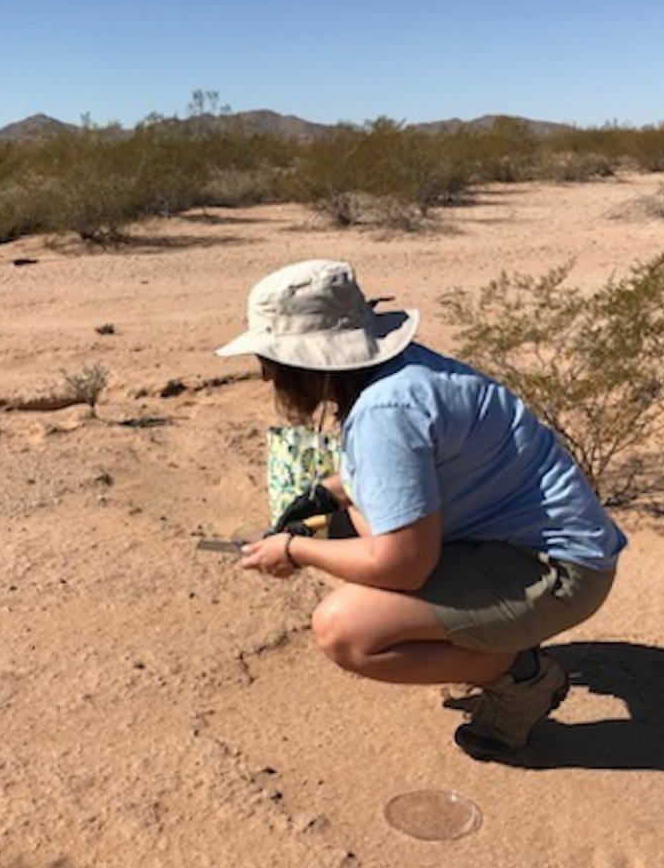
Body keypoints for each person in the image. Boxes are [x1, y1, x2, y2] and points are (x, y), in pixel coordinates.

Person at [215, 259, 627, 760]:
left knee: (346, 629)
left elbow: (403, 566)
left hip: (561, 572)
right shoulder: (401, 373)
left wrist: (294, 550)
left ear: (307, 361)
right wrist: (330, 492)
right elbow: (405, 475)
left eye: (271, 359)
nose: (264, 375)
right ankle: (482, 640)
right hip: (529, 544)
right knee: (346, 528)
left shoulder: (385, 412)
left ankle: (519, 675)